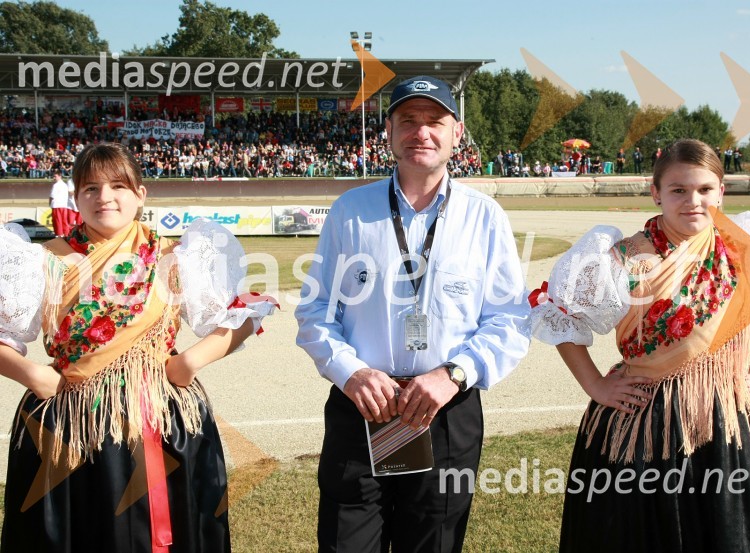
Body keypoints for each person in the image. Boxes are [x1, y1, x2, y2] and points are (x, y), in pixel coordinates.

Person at [530, 139, 750, 552]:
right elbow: (559, 317)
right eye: (678, 190)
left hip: (726, 423)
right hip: (643, 425)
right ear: (656, 192)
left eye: (704, 189)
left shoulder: (744, 246)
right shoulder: (624, 257)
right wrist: (595, 385)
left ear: (721, 191)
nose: (693, 201)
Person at [0, 143, 276, 552]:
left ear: (141, 195)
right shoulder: (41, 260)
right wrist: (33, 374)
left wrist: (190, 361)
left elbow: (243, 314)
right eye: (90, 188)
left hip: (162, 421)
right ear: (76, 197)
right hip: (70, 426)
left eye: (117, 185)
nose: (104, 197)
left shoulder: (179, 256)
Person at [295, 75, 530, 553]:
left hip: (445, 410)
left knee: (433, 544)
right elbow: (316, 310)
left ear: (456, 133)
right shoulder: (350, 211)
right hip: (363, 405)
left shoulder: (485, 217)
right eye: (408, 120)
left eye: (434, 121)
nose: (421, 132)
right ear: (388, 131)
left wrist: (453, 375)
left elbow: (509, 319)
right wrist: (351, 371)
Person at [49, 171, 70, 237]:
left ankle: (59, 234)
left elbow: (52, 196)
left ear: (60, 176)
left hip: (56, 205)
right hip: (64, 205)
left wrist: (49, 203)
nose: (54, 178)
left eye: (55, 176)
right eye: (53, 176)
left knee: (57, 221)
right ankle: (66, 234)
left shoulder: (56, 185)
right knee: (64, 221)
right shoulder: (65, 185)